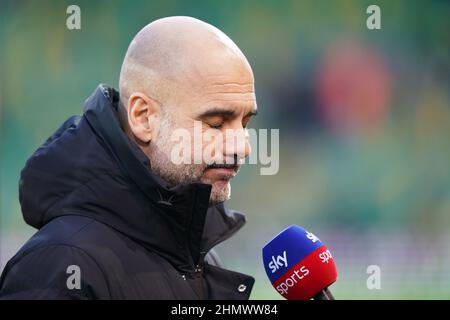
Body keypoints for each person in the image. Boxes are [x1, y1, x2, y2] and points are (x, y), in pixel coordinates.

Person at [0, 16, 258, 299]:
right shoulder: (61, 267)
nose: (242, 147)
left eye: (244, 123)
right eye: (216, 123)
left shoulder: (198, 257)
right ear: (143, 118)